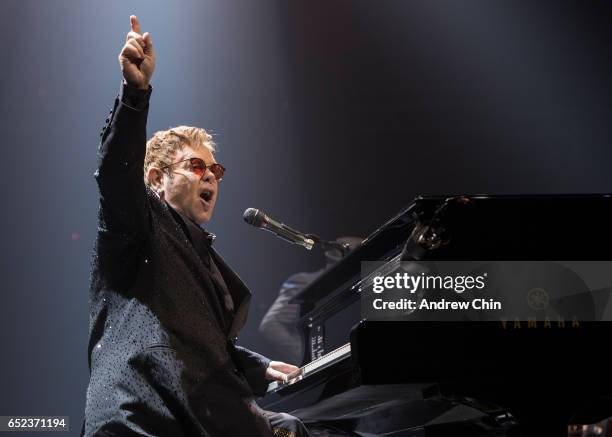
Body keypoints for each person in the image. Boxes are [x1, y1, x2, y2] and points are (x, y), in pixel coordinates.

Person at [83, 16, 309, 437]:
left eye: (215, 169)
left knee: (295, 428)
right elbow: (116, 173)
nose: (210, 176)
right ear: (154, 178)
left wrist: (258, 367)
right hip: (143, 417)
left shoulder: (198, 252)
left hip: (196, 412)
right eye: (196, 166)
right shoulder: (137, 223)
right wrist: (135, 95)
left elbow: (193, 341)